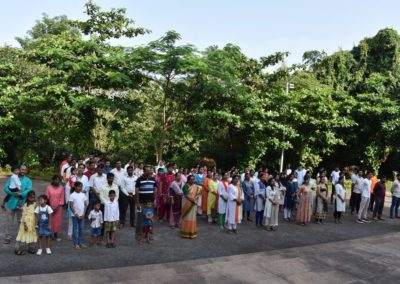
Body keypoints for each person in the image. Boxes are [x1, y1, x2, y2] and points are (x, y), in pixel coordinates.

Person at [3, 165, 32, 244]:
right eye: (21, 169)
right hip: (11, 203)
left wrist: (21, 194)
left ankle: (21, 236)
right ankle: (7, 237)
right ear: (19, 170)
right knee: (9, 221)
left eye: (25, 170)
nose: (23, 171)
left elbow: (29, 190)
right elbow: (5, 188)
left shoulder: (28, 180)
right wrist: (13, 193)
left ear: (26, 171)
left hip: (21, 203)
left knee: (21, 221)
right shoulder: (13, 177)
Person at [135, 166, 157, 240]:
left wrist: (154, 200)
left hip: (150, 203)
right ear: (144, 171)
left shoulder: (153, 179)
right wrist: (137, 202)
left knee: (150, 218)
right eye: (147, 170)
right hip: (140, 203)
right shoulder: (139, 179)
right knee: (139, 218)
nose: (149, 171)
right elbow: (137, 191)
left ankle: (150, 234)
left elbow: (155, 190)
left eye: (150, 170)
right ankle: (139, 234)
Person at [14, 190, 37, 255]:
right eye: (31, 197)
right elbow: (23, 216)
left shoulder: (35, 205)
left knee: (31, 234)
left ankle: (30, 248)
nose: (33, 199)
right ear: (28, 197)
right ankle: (16, 249)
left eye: (33, 197)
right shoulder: (25, 205)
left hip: (31, 223)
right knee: (21, 235)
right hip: (25, 223)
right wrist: (25, 225)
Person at [69, 181, 88, 249]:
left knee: (81, 229)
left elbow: (86, 204)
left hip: (82, 215)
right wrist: (76, 214)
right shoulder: (72, 195)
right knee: (75, 230)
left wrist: (83, 214)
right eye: (79, 186)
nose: (80, 188)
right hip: (75, 216)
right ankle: (76, 243)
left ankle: (80, 242)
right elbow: (71, 206)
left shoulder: (83, 194)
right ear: (75, 187)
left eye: (81, 187)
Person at [45, 175, 64, 241]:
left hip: (59, 208)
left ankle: (56, 235)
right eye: (55, 179)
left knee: (57, 222)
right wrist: (50, 207)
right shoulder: (48, 188)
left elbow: (62, 198)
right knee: (50, 221)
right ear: (53, 180)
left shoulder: (61, 188)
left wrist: (57, 206)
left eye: (58, 180)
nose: (57, 181)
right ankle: (49, 235)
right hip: (50, 207)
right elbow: (46, 198)